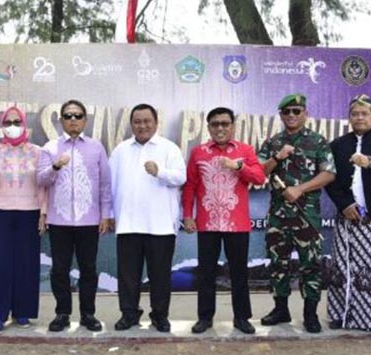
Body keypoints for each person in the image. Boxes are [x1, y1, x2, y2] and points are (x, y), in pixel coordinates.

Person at [182, 107, 266, 334]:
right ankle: (204, 317)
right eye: (215, 124)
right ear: (208, 127)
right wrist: (187, 215)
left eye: (225, 123)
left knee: (239, 272)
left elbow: (259, 177)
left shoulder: (245, 150)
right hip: (207, 223)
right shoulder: (198, 152)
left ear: (232, 126)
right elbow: (190, 186)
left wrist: (238, 165)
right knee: (206, 272)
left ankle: (242, 318)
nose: (220, 128)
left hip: (237, 224)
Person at [257, 94, 335, 333]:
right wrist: (277, 157)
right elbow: (258, 172)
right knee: (278, 263)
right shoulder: (272, 142)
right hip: (278, 216)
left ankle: (310, 314)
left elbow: (329, 173)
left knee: (310, 265)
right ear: (281, 115)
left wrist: (300, 189)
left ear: (305, 114)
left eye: (296, 111)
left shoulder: (318, 141)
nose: (291, 115)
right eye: (287, 111)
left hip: (307, 215)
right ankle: (281, 309)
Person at [324, 94, 371, 334]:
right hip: (348, 214)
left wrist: (370, 161)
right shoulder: (337, 145)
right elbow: (330, 180)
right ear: (349, 118)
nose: (359, 118)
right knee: (343, 265)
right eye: (355, 114)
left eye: (364, 114)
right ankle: (342, 315)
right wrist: (344, 205)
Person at [109, 103, 186, 333]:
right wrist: (110, 215)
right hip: (128, 224)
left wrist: (159, 172)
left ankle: (160, 316)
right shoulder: (121, 150)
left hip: (160, 226)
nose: (142, 126)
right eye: (137, 122)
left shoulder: (169, 148)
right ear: (131, 124)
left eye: (146, 121)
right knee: (128, 276)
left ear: (156, 123)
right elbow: (110, 185)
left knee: (160, 276)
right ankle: (129, 314)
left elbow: (181, 177)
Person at [37, 100, 112, 332]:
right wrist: (55, 167)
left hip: (89, 220)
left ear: (85, 121)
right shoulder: (50, 148)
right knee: (60, 269)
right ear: (61, 120)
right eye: (68, 116)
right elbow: (40, 180)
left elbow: (105, 184)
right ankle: (62, 314)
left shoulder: (96, 147)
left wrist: (105, 215)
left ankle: (88, 314)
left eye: (78, 116)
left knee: (88, 268)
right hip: (59, 220)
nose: (73, 120)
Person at [0, 106, 47, 333]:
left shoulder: (37, 151)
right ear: (2, 126)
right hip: (0, 211)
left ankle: (22, 311)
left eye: (17, 122)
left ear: (25, 125)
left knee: (27, 263)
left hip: (29, 211)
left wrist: (43, 213)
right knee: (0, 263)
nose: (13, 127)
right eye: (8, 123)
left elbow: (43, 185)